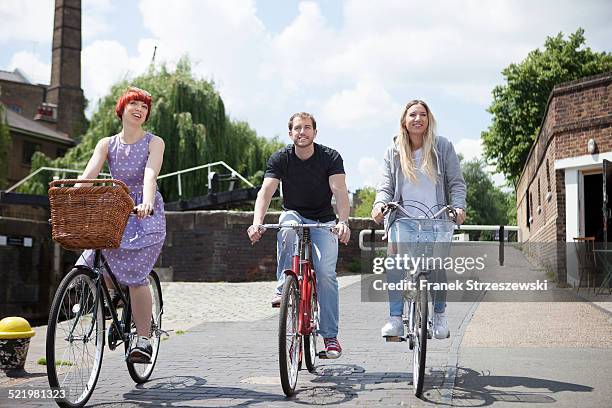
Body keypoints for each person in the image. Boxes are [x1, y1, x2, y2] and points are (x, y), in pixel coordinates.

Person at [247, 112, 350, 359]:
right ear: (290, 133)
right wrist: (256, 223)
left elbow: (340, 191)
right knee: (287, 227)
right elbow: (266, 192)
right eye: (297, 128)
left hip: (323, 220)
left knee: (326, 273)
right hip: (294, 213)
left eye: (307, 128)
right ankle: (283, 287)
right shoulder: (281, 158)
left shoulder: (330, 157)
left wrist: (343, 222)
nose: (302, 132)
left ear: (315, 132)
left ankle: (330, 337)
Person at [76, 86, 166, 363]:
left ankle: (143, 340)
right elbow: (89, 173)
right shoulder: (107, 144)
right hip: (115, 207)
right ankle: (110, 296)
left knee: (137, 277)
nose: (140, 109)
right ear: (122, 109)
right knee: (92, 258)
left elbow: (150, 174)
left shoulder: (154, 142)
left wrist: (147, 202)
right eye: (134, 104)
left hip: (143, 212)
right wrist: (74, 192)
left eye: (144, 106)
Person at [371, 100, 466, 340]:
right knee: (394, 263)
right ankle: (395, 319)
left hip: (437, 219)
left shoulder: (442, 147)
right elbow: (385, 186)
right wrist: (379, 205)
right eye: (412, 114)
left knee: (438, 268)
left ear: (428, 119)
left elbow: (456, 183)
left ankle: (440, 315)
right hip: (403, 220)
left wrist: (458, 207)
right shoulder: (393, 151)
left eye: (423, 114)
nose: (418, 119)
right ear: (404, 120)